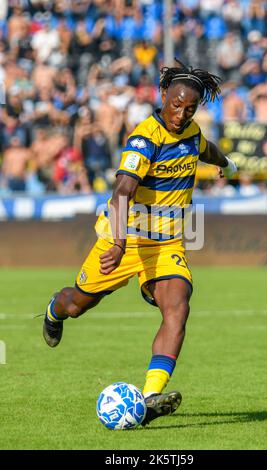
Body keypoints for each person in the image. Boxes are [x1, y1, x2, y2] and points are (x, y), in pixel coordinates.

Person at [42, 60, 237, 426]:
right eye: (176, 104)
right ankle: (55, 308)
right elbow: (121, 192)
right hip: (125, 239)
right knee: (77, 304)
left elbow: (204, 148)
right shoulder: (144, 139)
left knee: (178, 307)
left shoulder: (191, 133)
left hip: (166, 245)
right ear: (163, 95)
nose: (180, 114)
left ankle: (149, 398)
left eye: (189, 108)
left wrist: (227, 162)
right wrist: (116, 244)